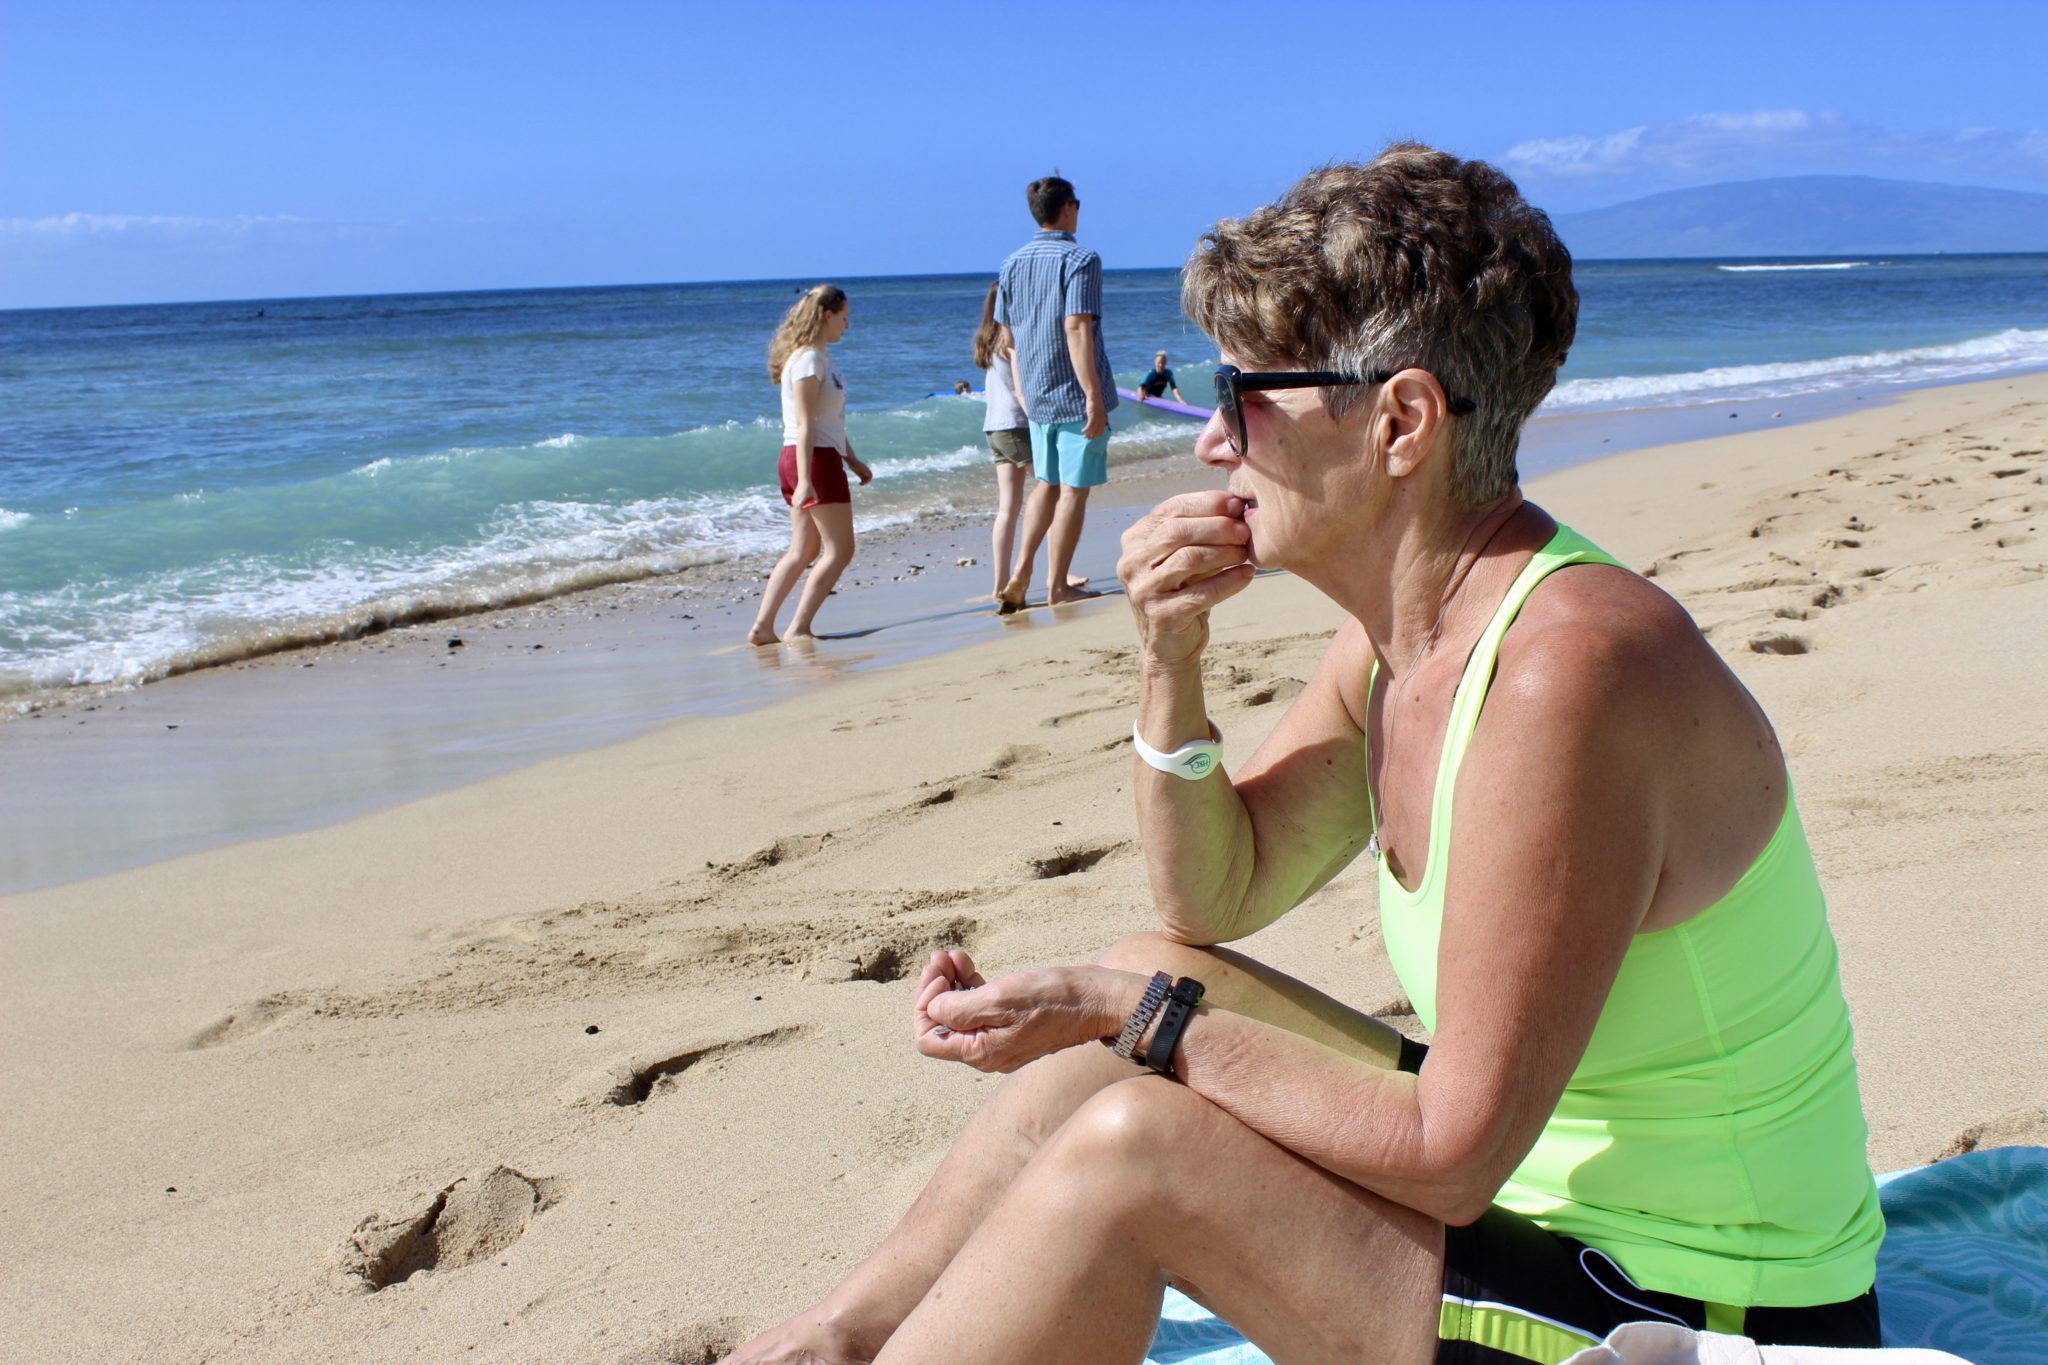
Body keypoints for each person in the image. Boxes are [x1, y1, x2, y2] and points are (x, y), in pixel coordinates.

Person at [725, 147, 1884, 1362]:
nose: (1210, 443)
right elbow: (1211, 899)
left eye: (1240, 397)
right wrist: (1168, 660)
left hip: (1698, 1309)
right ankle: (842, 1337)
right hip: (1536, 1213)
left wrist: (1130, 1017)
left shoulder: (1565, 674)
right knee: (1140, 983)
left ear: (1399, 422)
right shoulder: (1397, 642)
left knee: (1135, 1137)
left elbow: (1449, 1158)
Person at [993, 175, 1116, 614]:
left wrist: (1024, 390)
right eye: (1077, 204)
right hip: (1072, 391)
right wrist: (1093, 395)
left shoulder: (1012, 263)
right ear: (1067, 208)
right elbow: (1076, 326)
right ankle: (1057, 585)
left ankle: (1021, 573)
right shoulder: (1080, 258)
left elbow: (1008, 337)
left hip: (1037, 394)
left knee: (1046, 485)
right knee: (1073, 490)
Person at [746, 284, 872, 646]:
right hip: (812, 460)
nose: (847, 325)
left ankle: (763, 628)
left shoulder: (817, 358)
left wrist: (851, 458)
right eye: (844, 317)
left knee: (803, 550)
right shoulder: (808, 361)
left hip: (812, 456)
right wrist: (805, 479)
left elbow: (827, 422)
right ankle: (798, 628)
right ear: (827, 315)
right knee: (840, 550)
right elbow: (805, 425)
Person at [973, 282, 1032, 602]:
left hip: (994, 426)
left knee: (1007, 508)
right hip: (1015, 424)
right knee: (1052, 494)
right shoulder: (1009, 340)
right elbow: (1020, 389)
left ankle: (999, 583)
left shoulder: (987, 339)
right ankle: (1058, 572)